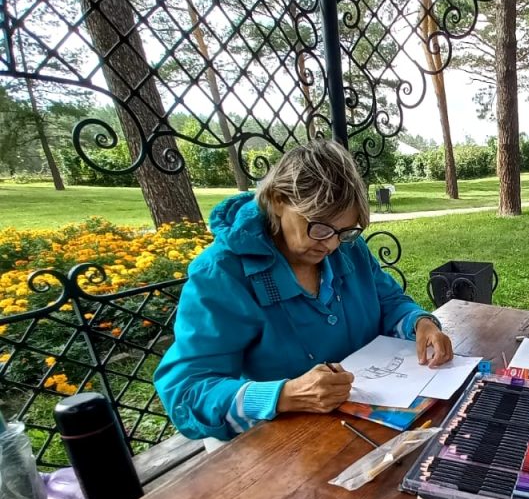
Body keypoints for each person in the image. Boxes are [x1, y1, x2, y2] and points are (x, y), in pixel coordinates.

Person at [155, 140, 453, 445]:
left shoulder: (348, 248)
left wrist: (420, 323)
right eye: (320, 228)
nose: (331, 245)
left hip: (367, 426)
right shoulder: (222, 273)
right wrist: (283, 395)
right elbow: (186, 391)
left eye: (345, 231)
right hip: (279, 443)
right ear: (278, 200)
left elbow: (388, 301)